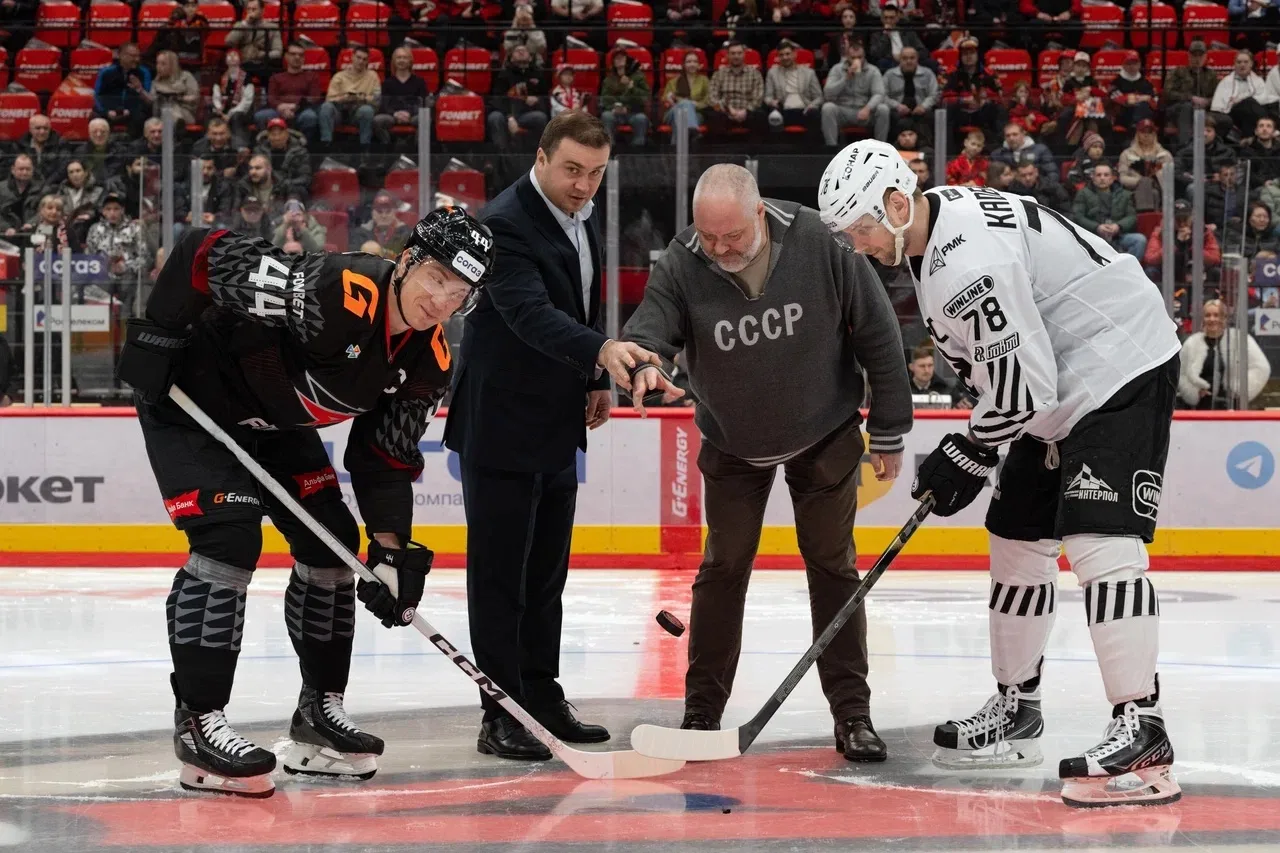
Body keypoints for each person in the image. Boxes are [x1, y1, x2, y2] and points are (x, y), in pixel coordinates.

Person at [819, 139, 1182, 809]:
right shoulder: (932, 230)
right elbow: (1019, 377)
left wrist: (970, 448)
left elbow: (1024, 386)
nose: (858, 246)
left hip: (1118, 364)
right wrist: (978, 443)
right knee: (1016, 538)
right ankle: (1018, 709)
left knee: (1100, 542)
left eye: (861, 229)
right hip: (1056, 383)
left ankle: (1144, 729)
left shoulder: (966, 262)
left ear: (896, 204)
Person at [113, 207, 497, 799]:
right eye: (438, 278)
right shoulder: (336, 291)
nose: (442, 301)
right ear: (409, 261)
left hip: (274, 423)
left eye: (460, 293)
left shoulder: (429, 359)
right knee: (229, 537)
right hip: (192, 402)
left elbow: (384, 457)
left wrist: (391, 550)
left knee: (333, 546)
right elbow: (202, 251)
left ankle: (319, 712)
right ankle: (198, 722)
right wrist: (160, 333)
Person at [619, 164, 912, 761]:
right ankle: (702, 712)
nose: (720, 249)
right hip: (733, 442)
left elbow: (878, 333)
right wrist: (645, 362)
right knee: (722, 568)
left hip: (825, 433)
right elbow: (651, 328)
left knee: (833, 567)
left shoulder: (822, 240)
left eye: (732, 236)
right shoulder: (682, 260)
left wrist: (888, 430)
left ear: (759, 213)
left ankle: (852, 714)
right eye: (709, 237)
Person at [443, 112, 662, 761]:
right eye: (571, 169)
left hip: (556, 419)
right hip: (501, 423)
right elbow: (530, 314)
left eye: (595, 172)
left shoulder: (581, 215)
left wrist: (593, 380)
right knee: (500, 579)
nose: (584, 185)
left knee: (544, 576)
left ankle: (541, 695)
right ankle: (501, 712)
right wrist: (601, 351)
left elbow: (578, 301)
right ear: (540, 158)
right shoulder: (505, 223)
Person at [1177, 300, 1271, 410]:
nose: (1212, 319)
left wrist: (1238, 390)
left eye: (1216, 315)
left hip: (1232, 407)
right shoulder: (1192, 343)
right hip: (1200, 408)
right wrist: (1194, 392)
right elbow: (1180, 373)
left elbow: (1261, 368)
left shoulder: (1239, 339)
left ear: (1224, 318)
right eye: (1208, 315)